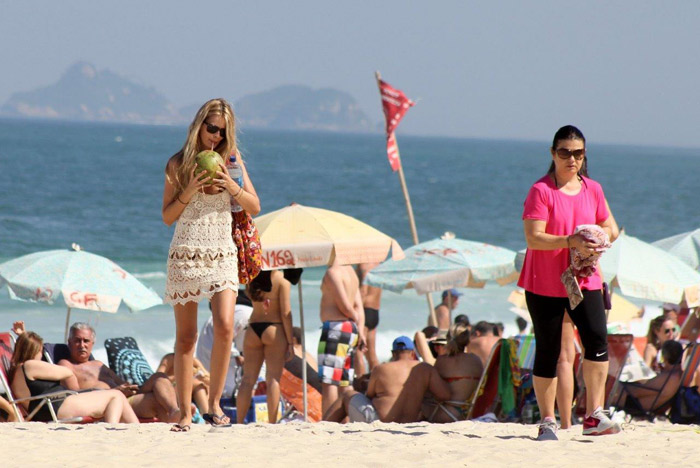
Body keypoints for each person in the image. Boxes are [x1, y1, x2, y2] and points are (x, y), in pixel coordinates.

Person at [161, 98, 260, 431]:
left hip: (222, 251)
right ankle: (185, 412)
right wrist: (190, 189)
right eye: (212, 128)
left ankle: (215, 405)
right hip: (187, 252)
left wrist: (230, 184)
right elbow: (167, 216)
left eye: (223, 131)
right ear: (199, 125)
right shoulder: (178, 163)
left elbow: (255, 205)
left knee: (225, 326)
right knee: (186, 337)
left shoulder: (231, 160)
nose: (216, 136)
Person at [518, 125, 619, 440]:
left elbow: (611, 228)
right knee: (548, 350)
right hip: (544, 282)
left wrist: (596, 238)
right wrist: (571, 240)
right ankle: (548, 420)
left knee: (597, 341)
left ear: (584, 154)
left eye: (577, 153)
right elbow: (533, 239)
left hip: (585, 280)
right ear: (553, 153)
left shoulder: (593, 189)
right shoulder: (541, 190)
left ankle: (593, 414)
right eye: (564, 152)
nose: (571, 158)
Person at [58, 323, 179, 423]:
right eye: (77, 341)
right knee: (155, 400)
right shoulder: (66, 365)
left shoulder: (98, 364)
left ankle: (175, 411)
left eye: (86, 341)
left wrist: (127, 388)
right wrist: (115, 391)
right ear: (69, 342)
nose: (82, 345)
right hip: (107, 403)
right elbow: (75, 395)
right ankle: (173, 419)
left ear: (92, 344)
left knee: (159, 377)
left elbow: (122, 383)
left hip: (125, 398)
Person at [10, 331, 139, 423]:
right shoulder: (30, 365)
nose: (41, 354)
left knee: (118, 396)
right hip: (55, 407)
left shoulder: (19, 371)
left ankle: (133, 430)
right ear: (34, 351)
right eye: (40, 351)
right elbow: (66, 372)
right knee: (116, 395)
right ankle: (112, 431)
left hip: (50, 405)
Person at [323, 336, 450, 423]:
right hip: (411, 422)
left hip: (379, 422)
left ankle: (323, 427)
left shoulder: (381, 369)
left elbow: (370, 395)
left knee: (347, 395)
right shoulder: (425, 368)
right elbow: (444, 395)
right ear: (412, 353)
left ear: (393, 353)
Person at [236, 270, 294, 424]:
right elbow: (286, 313)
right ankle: (273, 423)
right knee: (273, 379)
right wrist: (291, 342)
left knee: (247, 379)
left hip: (253, 328)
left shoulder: (251, 277)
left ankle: (239, 421)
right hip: (274, 328)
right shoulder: (282, 279)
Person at [318, 258, 366, 415]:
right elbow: (358, 306)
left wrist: (353, 317)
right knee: (345, 382)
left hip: (335, 328)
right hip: (349, 329)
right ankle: (347, 418)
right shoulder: (351, 271)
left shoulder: (333, 272)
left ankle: (329, 420)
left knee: (330, 381)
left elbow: (345, 307)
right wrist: (359, 330)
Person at [196, 291, 253, 399]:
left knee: (215, 383)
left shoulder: (235, 312)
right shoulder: (243, 313)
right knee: (229, 389)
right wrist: (236, 355)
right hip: (220, 345)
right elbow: (226, 335)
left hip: (210, 347)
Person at [424, 324, 483, 422]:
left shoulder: (442, 361)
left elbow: (434, 390)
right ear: (467, 341)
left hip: (446, 413)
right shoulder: (475, 360)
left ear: (447, 339)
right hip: (470, 413)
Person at [619, 340, 684, 414]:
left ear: (665, 357)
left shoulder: (668, 377)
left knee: (613, 386)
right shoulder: (677, 374)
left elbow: (636, 392)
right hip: (650, 405)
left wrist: (624, 385)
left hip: (637, 405)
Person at [355, 262, 383, 376]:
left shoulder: (364, 266)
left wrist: (355, 312)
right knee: (372, 355)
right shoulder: (379, 265)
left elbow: (363, 291)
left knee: (358, 353)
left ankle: (360, 383)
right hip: (374, 311)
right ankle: (377, 383)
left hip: (364, 311)